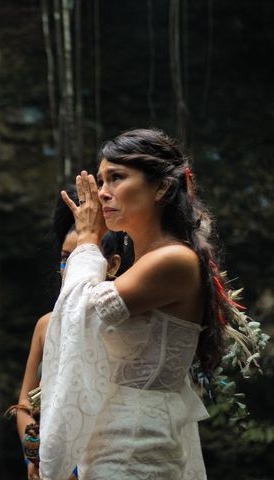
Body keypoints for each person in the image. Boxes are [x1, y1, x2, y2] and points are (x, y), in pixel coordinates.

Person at [38, 128, 248, 479]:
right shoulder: (148, 261)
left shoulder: (173, 259)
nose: (103, 193)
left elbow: (83, 313)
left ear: (162, 187)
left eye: (117, 178)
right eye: (101, 180)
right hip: (116, 436)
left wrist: (89, 240)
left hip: (136, 441)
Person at [14, 188, 131, 480]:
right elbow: (24, 405)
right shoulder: (45, 325)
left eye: (80, 256)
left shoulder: (124, 324)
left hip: (102, 456)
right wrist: (36, 456)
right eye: (65, 258)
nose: (69, 267)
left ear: (113, 264)